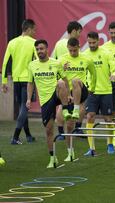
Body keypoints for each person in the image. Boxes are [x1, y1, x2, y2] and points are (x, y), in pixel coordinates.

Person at [26, 39, 73, 168]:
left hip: (56, 93)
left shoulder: (56, 63)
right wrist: (29, 99)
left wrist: (68, 94)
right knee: (48, 130)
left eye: (41, 48)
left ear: (47, 49)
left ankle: (64, 110)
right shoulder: (32, 65)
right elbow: (30, 83)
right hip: (45, 100)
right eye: (37, 49)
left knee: (60, 83)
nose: (39, 51)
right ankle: (53, 158)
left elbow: (65, 79)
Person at [83, 31, 115, 156]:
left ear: (98, 41)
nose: (91, 45)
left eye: (94, 42)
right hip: (92, 92)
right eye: (89, 43)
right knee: (89, 116)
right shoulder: (84, 55)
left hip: (106, 91)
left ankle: (110, 144)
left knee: (108, 119)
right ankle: (92, 148)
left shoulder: (106, 53)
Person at [2, 19, 36, 144]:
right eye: (34, 30)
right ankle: (15, 137)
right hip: (29, 80)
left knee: (22, 107)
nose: (35, 32)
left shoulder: (12, 42)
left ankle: (28, 136)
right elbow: (38, 61)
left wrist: (4, 81)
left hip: (16, 80)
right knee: (24, 107)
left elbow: (5, 63)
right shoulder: (34, 43)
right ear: (28, 29)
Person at [53, 21, 83, 139]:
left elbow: (55, 62)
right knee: (79, 105)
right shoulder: (73, 45)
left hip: (61, 80)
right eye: (79, 32)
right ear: (74, 31)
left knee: (62, 106)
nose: (80, 35)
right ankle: (76, 130)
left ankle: (61, 133)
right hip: (72, 81)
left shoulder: (58, 43)